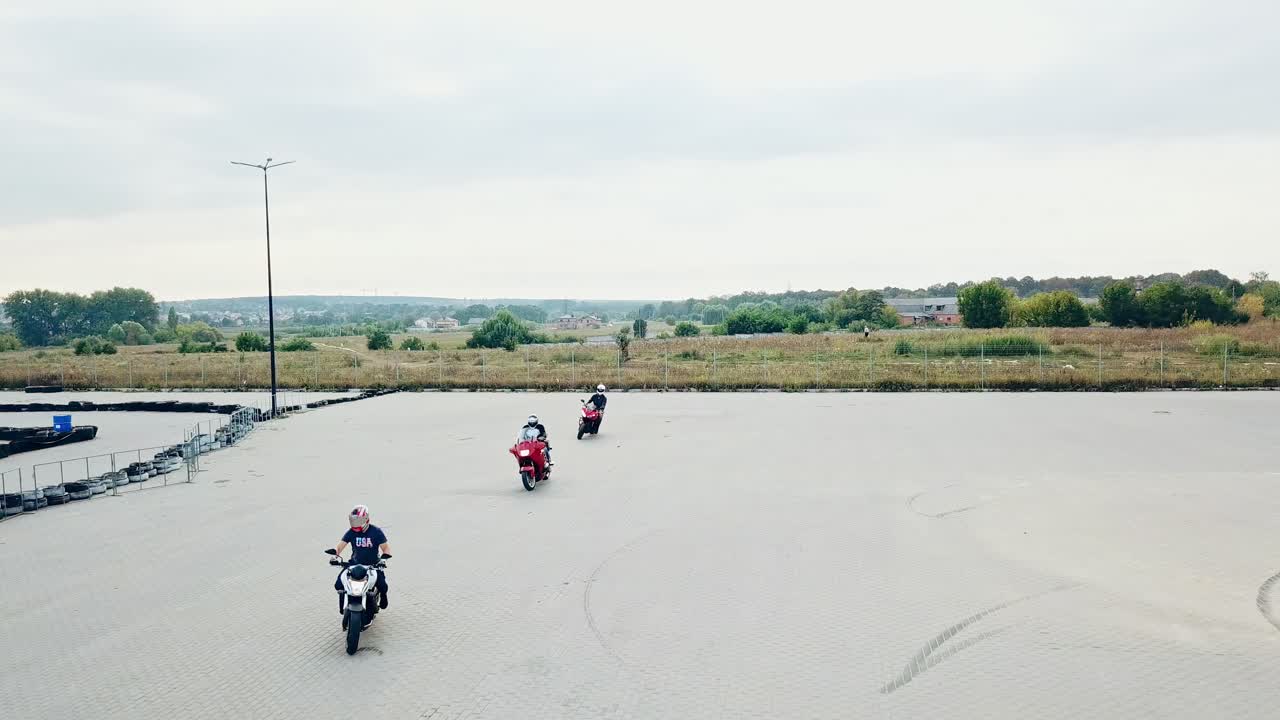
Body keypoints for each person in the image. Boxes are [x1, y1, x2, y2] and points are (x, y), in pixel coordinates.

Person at [332, 505, 390, 611]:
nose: (355, 524)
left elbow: (385, 548)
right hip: (354, 564)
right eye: (354, 521)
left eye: (358, 521)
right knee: (338, 584)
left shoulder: (376, 531)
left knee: (382, 585)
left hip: (373, 565)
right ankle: (344, 603)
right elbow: (340, 545)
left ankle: (383, 597)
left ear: (366, 519)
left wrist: (383, 560)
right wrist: (335, 556)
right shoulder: (351, 532)